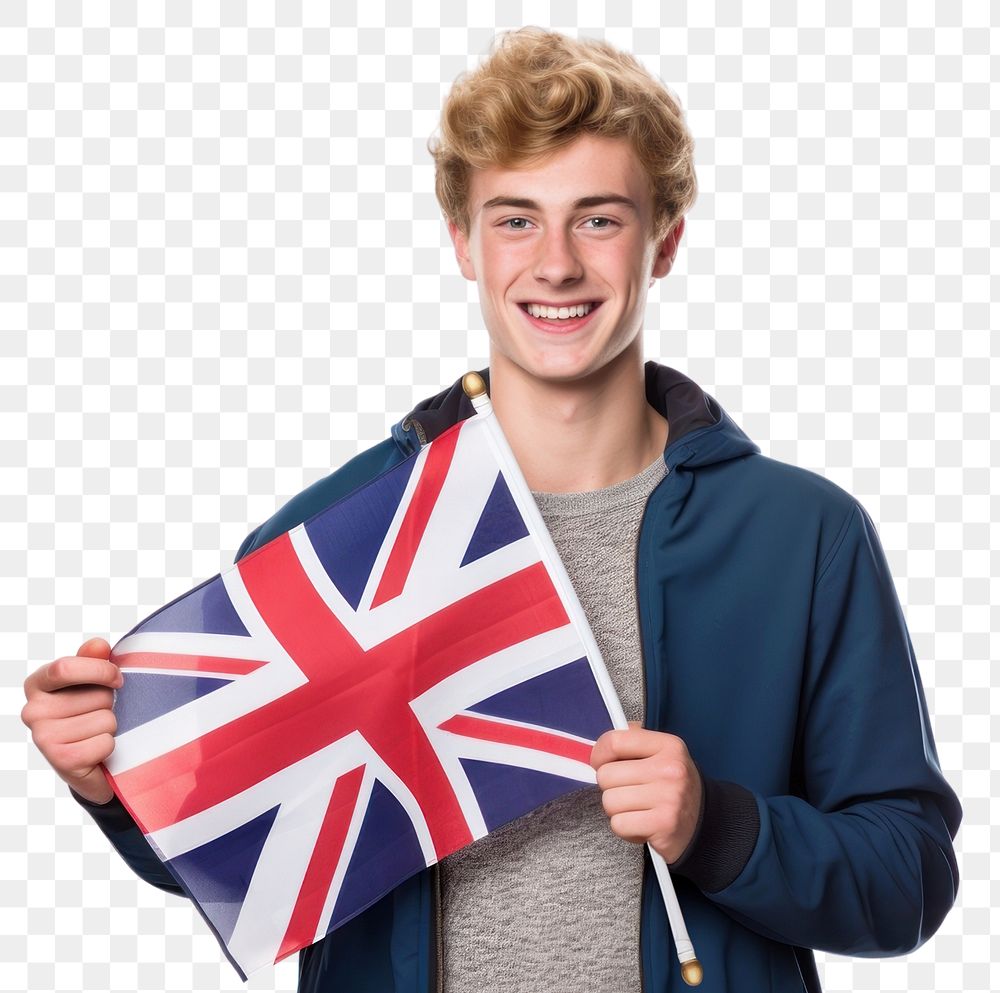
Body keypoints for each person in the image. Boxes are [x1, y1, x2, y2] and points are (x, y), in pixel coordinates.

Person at [21, 26, 961, 993]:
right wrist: (115, 780)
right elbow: (246, 852)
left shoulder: (802, 535)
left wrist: (715, 825)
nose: (554, 263)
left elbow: (909, 878)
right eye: (516, 219)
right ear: (463, 243)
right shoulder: (342, 531)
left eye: (599, 220)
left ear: (665, 241)